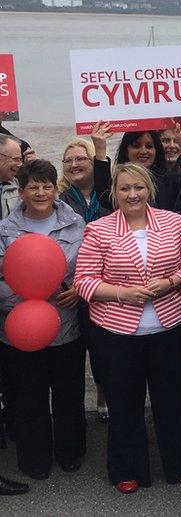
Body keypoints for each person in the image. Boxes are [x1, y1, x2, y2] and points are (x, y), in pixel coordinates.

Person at [74, 163, 181, 494]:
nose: (133, 194)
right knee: (124, 403)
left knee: (174, 400)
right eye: (125, 188)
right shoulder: (98, 230)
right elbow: (84, 280)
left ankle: (180, 463)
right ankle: (127, 469)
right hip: (116, 333)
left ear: (149, 190)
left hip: (171, 326)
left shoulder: (174, 223)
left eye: (139, 187)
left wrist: (172, 282)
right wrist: (121, 293)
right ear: (114, 193)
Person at [0, 160, 86, 480]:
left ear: (55, 188)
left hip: (65, 324)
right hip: (20, 328)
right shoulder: (4, 231)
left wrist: (79, 289)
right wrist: (26, 296)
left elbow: (88, 269)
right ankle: (35, 458)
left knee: (68, 393)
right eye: (33, 186)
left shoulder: (75, 224)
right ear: (21, 191)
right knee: (28, 396)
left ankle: (70, 451)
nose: (40, 192)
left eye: (46, 185)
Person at [58, 138, 112, 422]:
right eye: (68, 160)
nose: (74, 164)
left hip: (105, 285)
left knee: (104, 351)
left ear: (94, 163)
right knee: (74, 356)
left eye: (81, 158)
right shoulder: (57, 201)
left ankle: (105, 398)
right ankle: (74, 415)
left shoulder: (110, 197)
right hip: (68, 290)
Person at [0, 133, 23, 218]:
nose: (20, 164)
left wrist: (36, 169)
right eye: (16, 159)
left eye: (20, 160)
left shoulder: (19, 189)